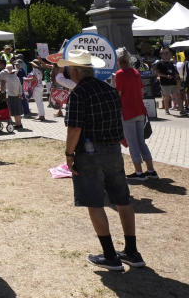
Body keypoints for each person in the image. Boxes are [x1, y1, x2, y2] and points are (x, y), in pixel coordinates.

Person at [63, 49, 144, 271]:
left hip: (89, 154)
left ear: (77, 71)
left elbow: (75, 128)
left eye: (70, 67)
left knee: (94, 202)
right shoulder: (109, 89)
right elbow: (119, 122)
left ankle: (110, 255)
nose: (68, 70)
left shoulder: (79, 93)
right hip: (113, 150)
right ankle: (131, 251)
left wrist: (69, 154)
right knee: (123, 199)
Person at [113, 49, 156, 180]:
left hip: (128, 112)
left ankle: (139, 172)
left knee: (133, 143)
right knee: (141, 142)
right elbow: (141, 91)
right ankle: (151, 170)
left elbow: (118, 95)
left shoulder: (119, 74)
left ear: (119, 61)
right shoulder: (136, 72)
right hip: (140, 110)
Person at [155, 48, 183, 115]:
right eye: (165, 53)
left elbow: (175, 72)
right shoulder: (159, 63)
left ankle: (182, 110)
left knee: (178, 95)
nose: (167, 55)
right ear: (161, 55)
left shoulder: (170, 63)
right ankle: (167, 110)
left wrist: (177, 76)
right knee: (166, 97)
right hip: (165, 83)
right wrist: (166, 76)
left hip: (173, 82)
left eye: (167, 53)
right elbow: (158, 73)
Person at [0, 61, 26, 130]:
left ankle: (15, 124)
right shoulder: (16, 77)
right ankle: (19, 124)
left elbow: (0, 79)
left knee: (12, 111)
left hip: (10, 96)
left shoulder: (7, 77)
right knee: (17, 111)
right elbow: (20, 86)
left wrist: (2, 92)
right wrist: (20, 94)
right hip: (17, 95)